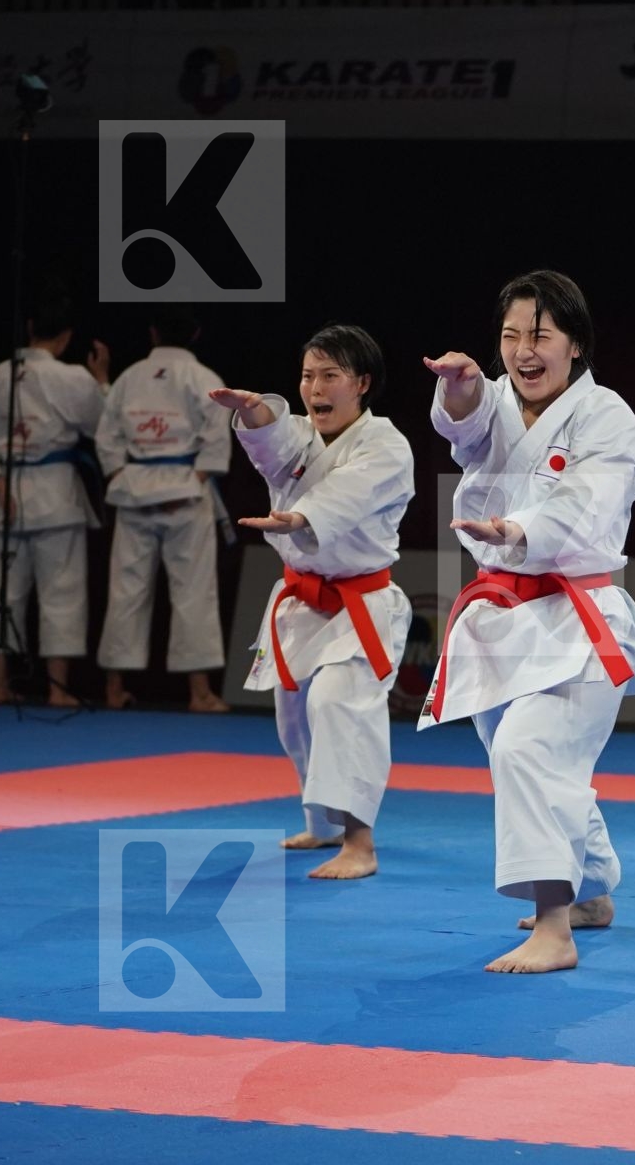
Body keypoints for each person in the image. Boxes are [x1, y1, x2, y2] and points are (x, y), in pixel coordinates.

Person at [421, 269, 635, 973]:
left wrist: (518, 529)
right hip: (502, 620)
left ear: (576, 345)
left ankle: (554, 929)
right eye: (510, 337)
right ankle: (591, 891)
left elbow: (589, 503)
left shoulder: (609, 418)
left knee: (530, 752)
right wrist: (462, 390)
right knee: (533, 758)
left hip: (578, 617)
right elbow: (463, 434)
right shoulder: (498, 400)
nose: (524, 351)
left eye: (541, 336)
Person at [212, 324, 415, 880]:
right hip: (302, 599)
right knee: (294, 718)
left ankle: (360, 842)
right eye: (307, 376)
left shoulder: (387, 445)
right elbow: (271, 446)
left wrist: (301, 517)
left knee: (338, 704)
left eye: (330, 375)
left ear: (362, 384)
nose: (315, 387)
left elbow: (347, 497)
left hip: (361, 602)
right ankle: (322, 821)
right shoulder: (302, 435)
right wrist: (254, 412)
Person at [0, 292, 110, 704]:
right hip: (55, 494)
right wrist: (101, 382)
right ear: (66, 337)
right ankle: (57, 689)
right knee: (61, 592)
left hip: (7, 491)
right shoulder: (72, 378)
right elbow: (101, 424)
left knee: (2, 590)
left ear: (31, 328)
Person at [95, 305, 232, 712]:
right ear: (196, 334)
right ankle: (199, 693)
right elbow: (215, 443)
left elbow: (108, 437)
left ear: (153, 333)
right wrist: (192, 482)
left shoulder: (129, 377)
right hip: (185, 494)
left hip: (135, 490)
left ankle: (114, 688)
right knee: (193, 592)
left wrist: (125, 478)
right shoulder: (205, 379)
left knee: (126, 590)